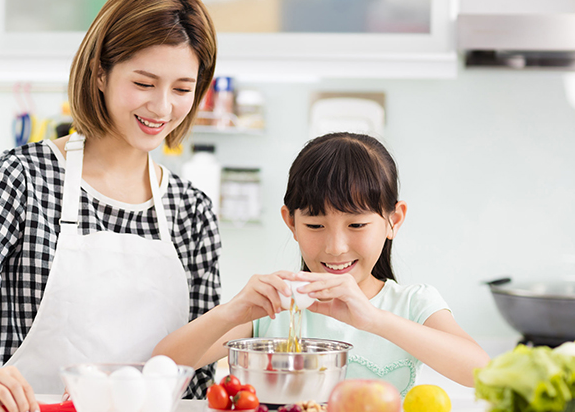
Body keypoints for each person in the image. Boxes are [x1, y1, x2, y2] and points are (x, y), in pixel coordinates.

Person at [0, 0, 221, 412]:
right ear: (100, 72)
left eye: (181, 88)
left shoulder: (192, 213)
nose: (162, 107)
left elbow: (196, 375)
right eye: (144, 82)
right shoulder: (23, 179)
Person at [153, 132, 490, 396]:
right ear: (291, 223)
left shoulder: (413, 304)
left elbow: (481, 373)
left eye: (356, 225)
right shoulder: (277, 307)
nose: (336, 246)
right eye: (315, 225)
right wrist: (234, 311)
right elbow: (161, 365)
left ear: (393, 220)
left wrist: (373, 319)